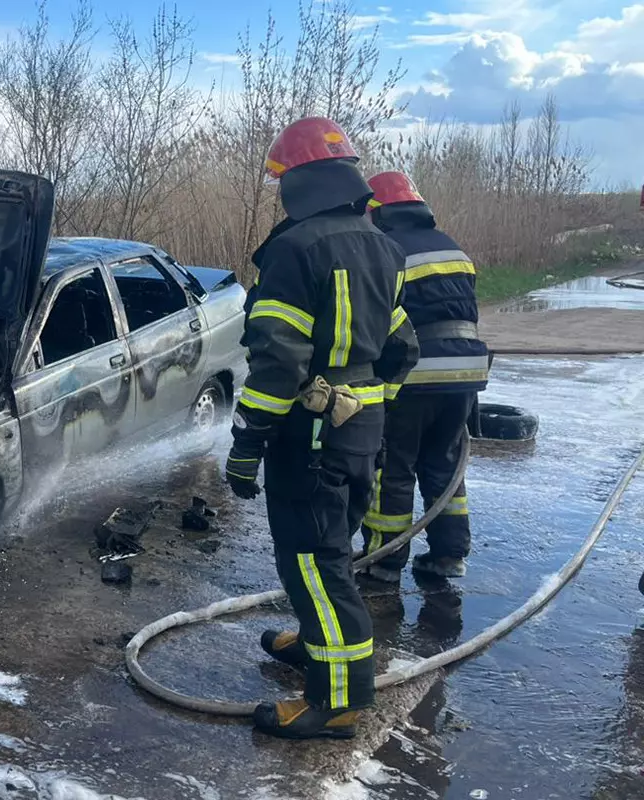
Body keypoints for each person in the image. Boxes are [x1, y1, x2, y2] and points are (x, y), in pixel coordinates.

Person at [226, 118, 420, 739]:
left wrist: (247, 443)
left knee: (314, 563)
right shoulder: (383, 246)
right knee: (330, 550)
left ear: (301, 182)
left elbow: (278, 361)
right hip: (359, 434)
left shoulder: (294, 249)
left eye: (281, 179)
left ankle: (336, 701)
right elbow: (401, 349)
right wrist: (369, 406)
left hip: (308, 439)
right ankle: (317, 645)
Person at [359, 172, 489, 583]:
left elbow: (377, 320)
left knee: (393, 467)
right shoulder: (453, 247)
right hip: (466, 374)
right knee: (444, 464)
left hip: (415, 376)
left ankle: (384, 560)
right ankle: (450, 556)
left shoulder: (385, 248)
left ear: (378, 211)